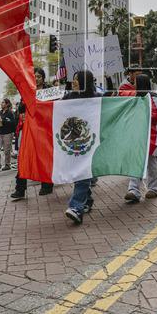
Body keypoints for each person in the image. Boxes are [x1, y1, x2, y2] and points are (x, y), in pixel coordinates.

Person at [10, 67, 53, 200]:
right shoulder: (27, 91)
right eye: (34, 76)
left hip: (45, 129)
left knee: (45, 156)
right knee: (24, 156)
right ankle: (20, 189)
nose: (36, 79)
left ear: (43, 78)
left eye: (39, 76)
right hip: (29, 129)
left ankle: (47, 185)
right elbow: (21, 109)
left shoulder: (49, 91)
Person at [64, 70, 98, 225]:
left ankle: (76, 207)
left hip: (90, 142)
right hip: (72, 142)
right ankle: (87, 200)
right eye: (73, 79)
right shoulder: (69, 97)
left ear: (85, 81)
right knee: (80, 172)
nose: (74, 82)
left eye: (77, 79)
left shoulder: (97, 99)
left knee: (83, 171)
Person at [124, 73, 157, 204]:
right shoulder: (133, 99)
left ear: (141, 84)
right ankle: (133, 190)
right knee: (135, 162)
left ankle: (153, 189)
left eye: (136, 83)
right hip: (136, 135)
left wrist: (141, 113)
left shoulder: (155, 99)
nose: (133, 85)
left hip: (151, 135)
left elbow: (156, 117)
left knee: (151, 163)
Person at [0, 99, 16, 171]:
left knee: (7, 151)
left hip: (8, 133)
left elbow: (13, 123)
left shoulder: (10, 113)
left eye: (3, 102)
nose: (1, 104)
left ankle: (7, 165)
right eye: (1, 102)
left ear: (7, 104)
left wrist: (4, 121)